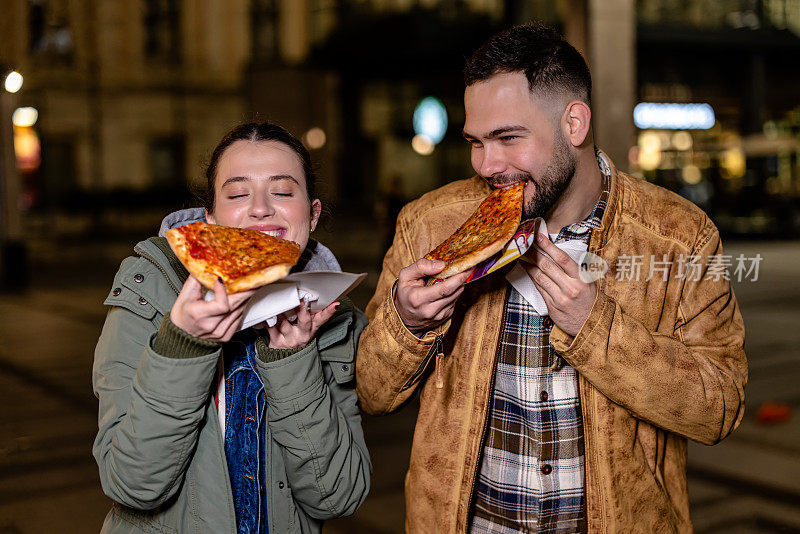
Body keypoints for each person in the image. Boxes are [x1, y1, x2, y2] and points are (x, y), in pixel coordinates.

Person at [356, 23, 747, 533]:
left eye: (508, 138)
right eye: (476, 141)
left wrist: (595, 327)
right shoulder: (429, 224)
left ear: (574, 124)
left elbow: (720, 407)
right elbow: (371, 392)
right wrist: (406, 322)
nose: (487, 164)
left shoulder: (681, 237)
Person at [93, 122, 371, 533]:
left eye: (282, 191)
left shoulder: (332, 315)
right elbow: (133, 485)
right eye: (238, 194)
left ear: (311, 216)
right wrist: (183, 345)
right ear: (212, 218)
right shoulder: (148, 292)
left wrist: (293, 359)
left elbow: (337, 496)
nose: (260, 209)